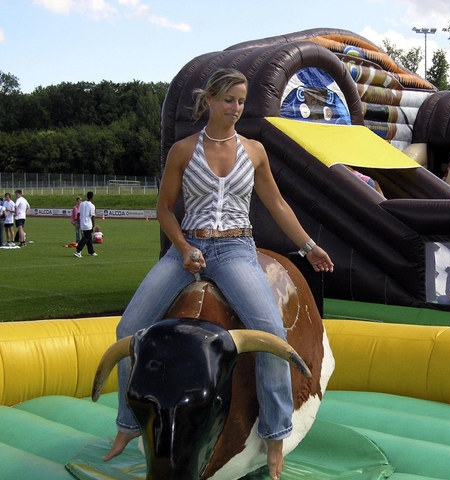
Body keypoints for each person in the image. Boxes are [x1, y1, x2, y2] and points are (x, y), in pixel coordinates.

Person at [102, 68, 334, 480]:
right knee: (129, 329)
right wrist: (185, 248)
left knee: (270, 336)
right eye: (229, 100)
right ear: (208, 100)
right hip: (186, 248)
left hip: (235, 250)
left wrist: (309, 247)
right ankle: (125, 426)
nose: (236, 108)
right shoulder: (183, 150)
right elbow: (164, 210)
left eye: (242, 101)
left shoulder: (255, 151)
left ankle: (276, 437)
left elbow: (278, 205)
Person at [74, 191, 97, 258]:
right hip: (88, 224)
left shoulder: (82, 204)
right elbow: (93, 216)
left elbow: (78, 214)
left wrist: (78, 223)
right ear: (92, 197)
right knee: (86, 237)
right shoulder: (92, 206)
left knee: (89, 238)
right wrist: (93, 226)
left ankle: (91, 251)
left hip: (82, 223)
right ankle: (78, 251)